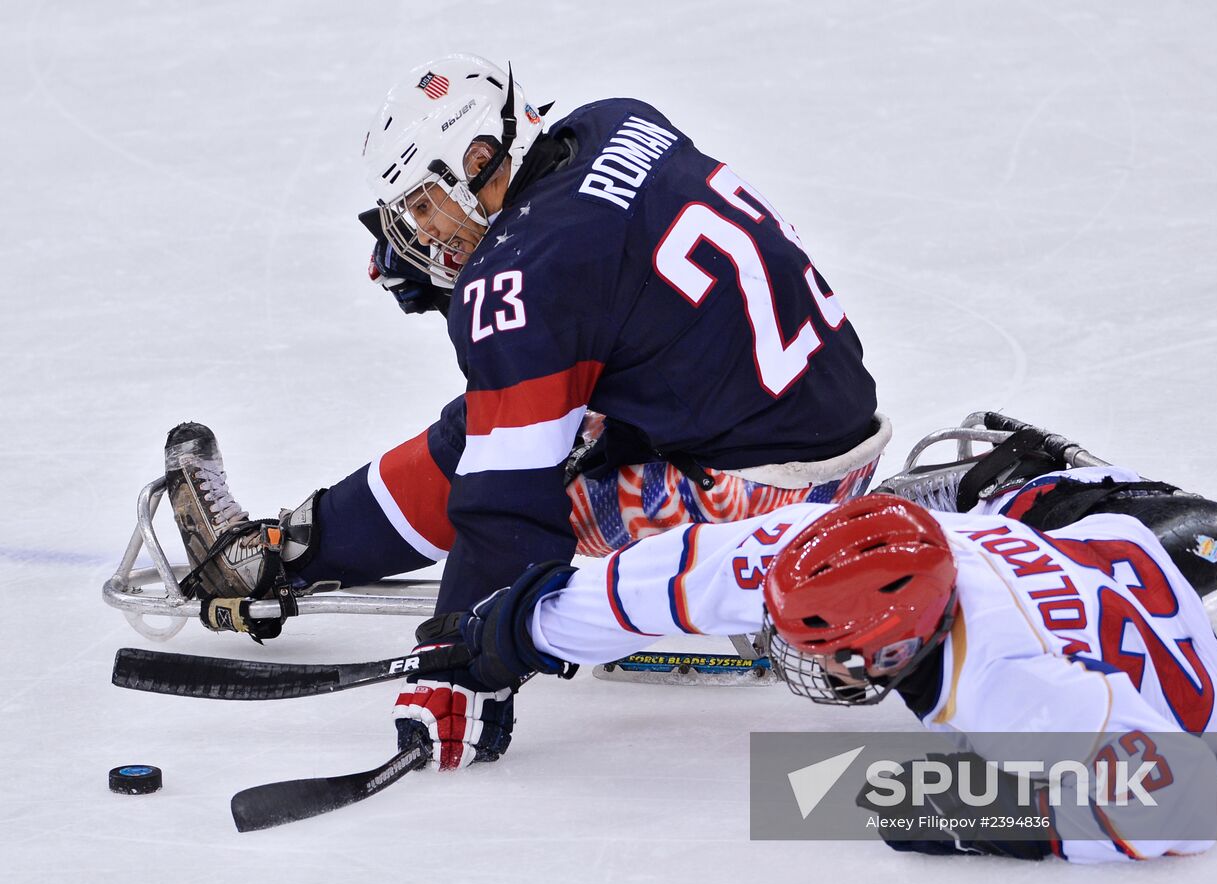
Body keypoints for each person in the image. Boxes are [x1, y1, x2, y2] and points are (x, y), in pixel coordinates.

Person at [163, 52, 887, 646]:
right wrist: (467, 287)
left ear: (478, 158)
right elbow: (602, 276)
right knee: (524, 404)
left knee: (494, 447)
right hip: (836, 435)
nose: (421, 231)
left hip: (763, 504)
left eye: (422, 203)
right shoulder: (618, 121)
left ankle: (275, 556)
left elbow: (502, 507)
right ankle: (300, 541)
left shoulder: (523, 271)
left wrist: (458, 656)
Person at [392, 452, 1217, 863]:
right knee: (987, 487)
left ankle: (1031, 470)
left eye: (816, 645)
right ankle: (1026, 475)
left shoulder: (1009, 691)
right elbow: (701, 572)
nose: (786, 649)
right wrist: (515, 628)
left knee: (996, 478)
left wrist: (997, 822)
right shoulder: (860, 547)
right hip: (1176, 543)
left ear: (893, 648)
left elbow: (1177, 802)